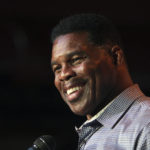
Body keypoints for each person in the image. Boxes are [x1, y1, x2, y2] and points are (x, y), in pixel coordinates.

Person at [50, 14, 150, 150]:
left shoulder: (146, 125)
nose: (64, 74)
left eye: (76, 59)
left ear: (115, 57)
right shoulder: (95, 134)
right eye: (57, 68)